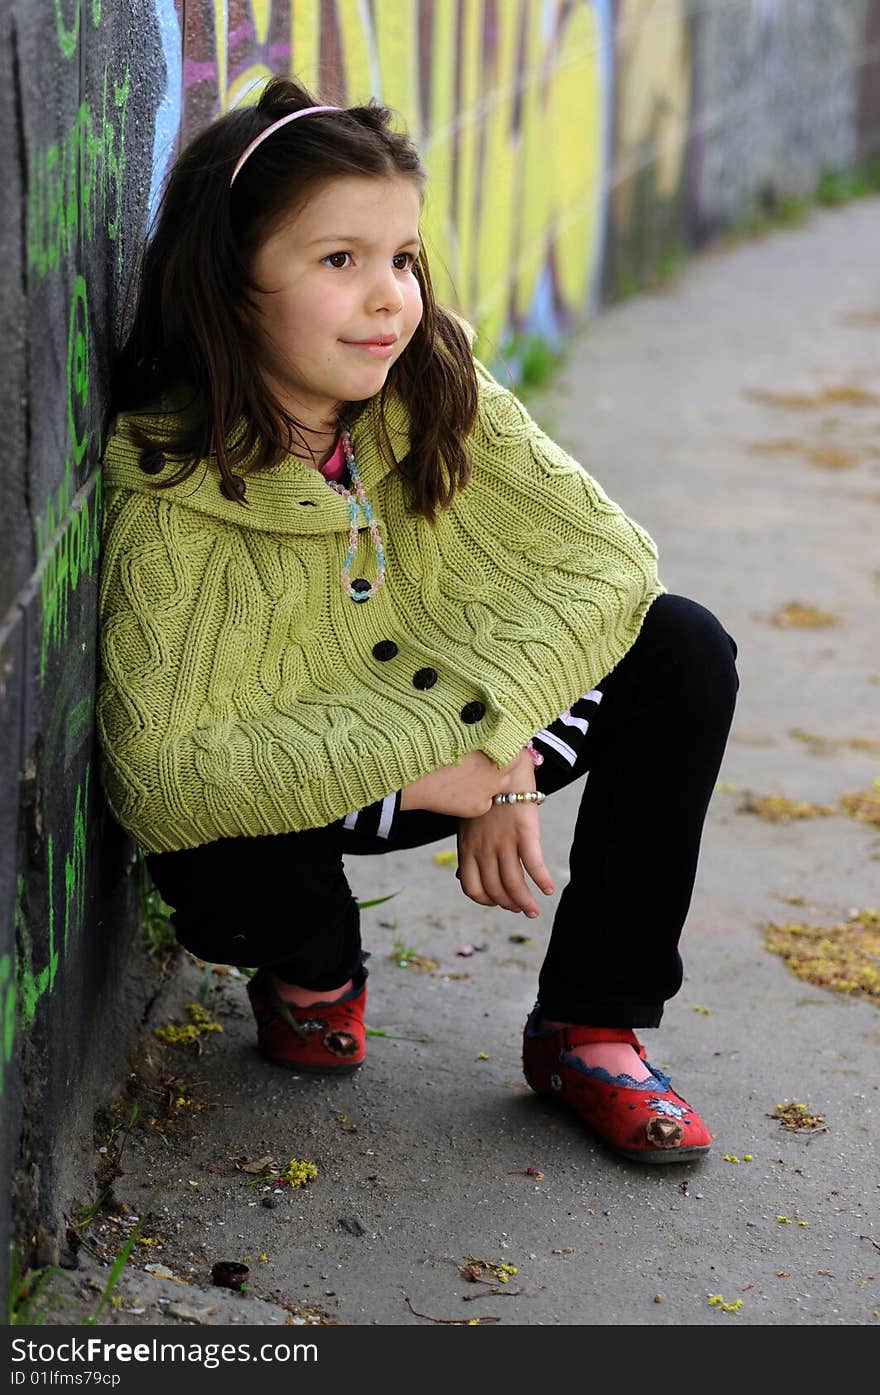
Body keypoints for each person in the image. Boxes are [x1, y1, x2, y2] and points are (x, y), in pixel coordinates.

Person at [98, 76, 739, 1165]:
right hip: (311, 791)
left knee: (681, 645)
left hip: (479, 737)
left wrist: (502, 754)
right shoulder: (172, 484)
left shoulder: (431, 377)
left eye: (401, 257)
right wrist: (412, 776)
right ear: (233, 280)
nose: (390, 295)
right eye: (338, 261)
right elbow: (159, 773)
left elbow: (607, 562)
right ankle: (315, 970)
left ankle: (592, 1027)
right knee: (218, 865)